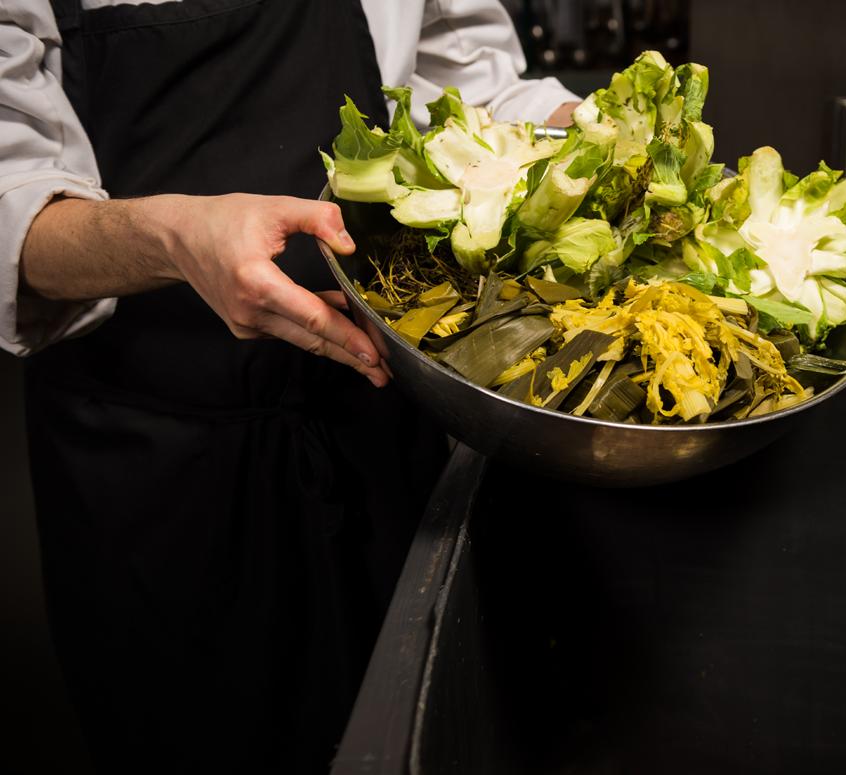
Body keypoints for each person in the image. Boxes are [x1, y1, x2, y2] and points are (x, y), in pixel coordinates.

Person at [0, 1, 579, 772]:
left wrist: (593, 136)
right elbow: (12, 202)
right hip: (159, 468)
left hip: (382, 409)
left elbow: (463, 82)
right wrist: (173, 238)